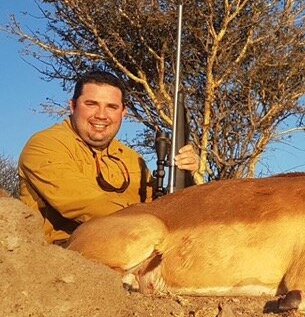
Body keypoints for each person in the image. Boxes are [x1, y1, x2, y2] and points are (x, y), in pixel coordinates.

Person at [19, 71, 200, 244]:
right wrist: (154, 220)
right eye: (91, 104)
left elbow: (162, 204)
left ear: (123, 112)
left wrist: (188, 177)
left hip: (129, 241)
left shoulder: (131, 158)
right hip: (64, 252)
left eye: (112, 107)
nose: (101, 115)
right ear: (73, 106)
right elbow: (87, 204)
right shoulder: (45, 145)